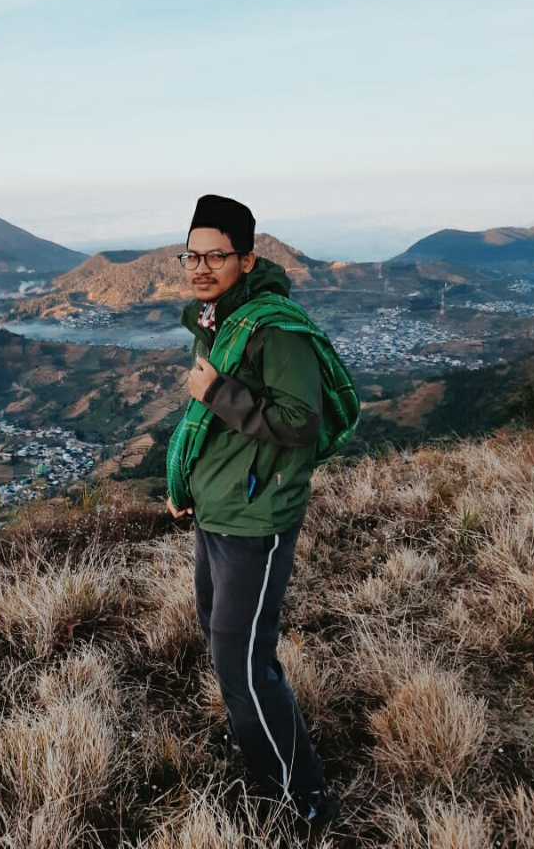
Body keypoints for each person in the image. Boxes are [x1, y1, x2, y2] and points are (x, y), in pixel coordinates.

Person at [166, 194, 358, 823]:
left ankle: (300, 800)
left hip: (257, 518)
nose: (200, 266)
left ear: (246, 259)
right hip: (218, 510)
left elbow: (298, 422)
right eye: (191, 255)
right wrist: (188, 483)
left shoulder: (274, 327)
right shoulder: (220, 319)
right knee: (225, 646)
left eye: (214, 255)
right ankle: (262, 747)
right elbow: (218, 428)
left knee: (245, 661)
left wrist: (216, 390)